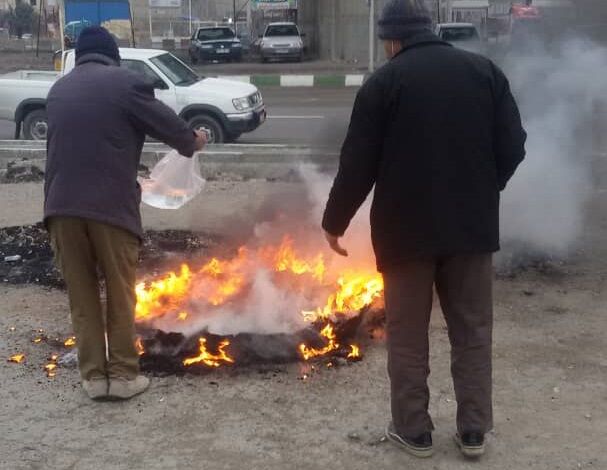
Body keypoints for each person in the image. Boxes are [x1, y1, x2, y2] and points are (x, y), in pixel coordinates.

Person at [322, 0, 526, 459]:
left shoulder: (385, 82)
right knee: (472, 331)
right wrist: (486, 187)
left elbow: (357, 165)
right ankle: (473, 432)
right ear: (429, 30)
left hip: (404, 235)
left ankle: (414, 432)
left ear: (393, 39)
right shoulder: (484, 73)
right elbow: (514, 145)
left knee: (409, 336)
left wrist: (334, 222)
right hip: (471, 231)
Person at [44, 26, 207, 401]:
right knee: (119, 294)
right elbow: (176, 133)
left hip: (60, 209)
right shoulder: (125, 84)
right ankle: (121, 376)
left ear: (79, 56)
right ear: (112, 55)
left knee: (82, 298)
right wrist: (196, 139)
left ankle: (93, 379)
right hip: (108, 209)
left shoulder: (58, 91)